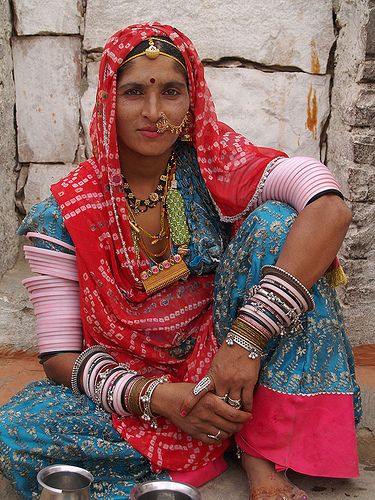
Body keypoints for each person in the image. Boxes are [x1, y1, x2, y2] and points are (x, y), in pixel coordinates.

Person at [0, 22, 361, 500]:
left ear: (192, 101)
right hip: (139, 383)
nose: (154, 113)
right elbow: (59, 355)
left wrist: (245, 342)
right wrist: (156, 397)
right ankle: (209, 435)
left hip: (235, 358)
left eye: (171, 92)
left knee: (277, 224)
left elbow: (328, 205)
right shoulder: (63, 215)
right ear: (109, 101)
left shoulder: (216, 165)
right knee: (17, 426)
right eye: (133, 93)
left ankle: (260, 453)